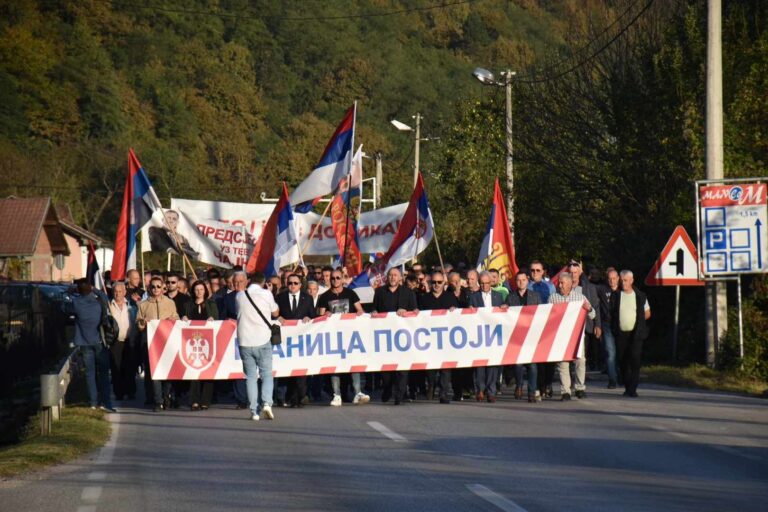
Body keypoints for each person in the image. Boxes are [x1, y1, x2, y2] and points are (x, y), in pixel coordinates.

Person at [317, 269, 368, 406]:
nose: (335, 281)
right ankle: (336, 394)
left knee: (354, 364)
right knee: (335, 366)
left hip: (350, 335)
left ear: (342, 278)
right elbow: (319, 317)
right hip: (332, 337)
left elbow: (360, 310)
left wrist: (358, 314)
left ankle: (357, 392)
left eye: (338, 278)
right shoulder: (324, 296)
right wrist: (325, 314)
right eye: (332, 278)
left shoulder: (350, 293)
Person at [236, 272, 279, 421]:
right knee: (266, 374)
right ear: (263, 282)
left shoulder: (240, 295)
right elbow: (276, 312)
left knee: (251, 377)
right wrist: (270, 292)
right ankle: (267, 403)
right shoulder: (267, 294)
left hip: (245, 341)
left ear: (249, 281)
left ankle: (254, 411)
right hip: (262, 339)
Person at [372, 268, 418, 405]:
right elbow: (374, 309)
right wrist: (374, 312)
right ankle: (387, 389)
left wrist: (408, 312)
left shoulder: (408, 293)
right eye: (390, 275)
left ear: (400, 278)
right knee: (387, 371)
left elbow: (415, 310)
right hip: (385, 338)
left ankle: (399, 395)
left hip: (403, 337)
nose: (392, 278)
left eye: (395, 275)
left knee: (402, 369)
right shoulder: (380, 292)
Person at [548, 272, 596, 401]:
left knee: (580, 361)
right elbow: (547, 316)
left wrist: (589, 309)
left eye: (562, 283)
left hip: (577, 336)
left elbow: (593, 314)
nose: (560, 285)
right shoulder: (553, 298)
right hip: (560, 336)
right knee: (563, 363)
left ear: (569, 284)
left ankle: (580, 388)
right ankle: (566, 391)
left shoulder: (580, 297)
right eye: (559, 282)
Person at [137, 275, 179, 411]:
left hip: (167, 342)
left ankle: (166, 396)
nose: (155, 289)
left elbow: (176, 318)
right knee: (154, 372)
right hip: (150, 343)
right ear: (149, 288)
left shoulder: (169, 303)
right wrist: (142, 323)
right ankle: (157, 401)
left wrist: (172, 319)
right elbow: (138, 323)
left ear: (163, 288)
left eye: (158, 287)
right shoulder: (143, 305)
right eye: (153, 286)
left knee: (166, 371)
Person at [73, 280, 115, 412]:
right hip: (99, 342)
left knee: (90, 374)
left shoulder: (76, 303)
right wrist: (95, 289)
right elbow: (104, 296)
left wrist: (74, 291)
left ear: (79, 290)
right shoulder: (98, 302)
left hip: (84, 342)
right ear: (90, 289)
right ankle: (105, 402)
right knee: (103, 373)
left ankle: (92, 402)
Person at [275, 273, 316, 408]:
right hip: (285, 341)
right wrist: (278, 318)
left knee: (299, 369)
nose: (292, 285)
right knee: (285, 369)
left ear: (300, 285)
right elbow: (273, 314)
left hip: (301, 340)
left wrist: (308, 318)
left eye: (295, 283)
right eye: (290, 283)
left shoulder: (307, 298)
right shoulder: (280, 298)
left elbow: (313, 316)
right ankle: (283, 397)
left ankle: (299, 397)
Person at [418, 270, 459, 404]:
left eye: (439, 282)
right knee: (431, 369)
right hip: (429, 340)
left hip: (447, 340)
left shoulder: (450, 297)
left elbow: (460, 316)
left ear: (444, 283)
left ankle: (443, 393)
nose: (436, 285)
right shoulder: (424, 298)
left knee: (446, 368)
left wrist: (455, 309)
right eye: (433, 282)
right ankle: (431, 386)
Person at [611, 270, 651, 398]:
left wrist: (639, 320)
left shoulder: (640, 296)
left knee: (635, 360)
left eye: (626, 280)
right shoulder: (616, 295)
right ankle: (627, 386)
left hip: (636, 334)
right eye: (622, 280)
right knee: (623, 361)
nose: (623, 283)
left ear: (632, 281)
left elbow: (648, 313)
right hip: (621, 333)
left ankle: (633, 389)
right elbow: (612, 313)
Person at [469, 271, 507, 402]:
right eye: (482, 283)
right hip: (479, 335)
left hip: (494, 334)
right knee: (480, 364)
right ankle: (480, 389)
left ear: (491, 282)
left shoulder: (498, 296)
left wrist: (503, 308)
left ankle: (491, 391)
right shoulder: (474, 297)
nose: (484, 286)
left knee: (492, 364)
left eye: (487, 283)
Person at [182, 280, 219, 411]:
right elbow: (183, 318)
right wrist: (184, 319)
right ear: (193, 291)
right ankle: (194, 400)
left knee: (207, 372)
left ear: (205, 291)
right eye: (196, 289)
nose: (199, 292)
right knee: (193, 371)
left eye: (201, 289)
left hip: (208, 343)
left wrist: (212, 319)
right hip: (191, 344)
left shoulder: (211, 304)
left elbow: (217, 318)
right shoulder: (188, 304)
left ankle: (205, 400)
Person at [568, 259, 601, 398]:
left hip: (583, 328)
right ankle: (568, 385)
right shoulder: (562, 287)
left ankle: (580, 387)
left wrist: (597, 324)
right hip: (567, 329)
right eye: (571, 273)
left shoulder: (588, 288)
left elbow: (595, 307)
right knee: (568, 360)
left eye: (576, 272)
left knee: (581, 358)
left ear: (580, 273)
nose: (573, 275)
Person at [507, 271, 542, 402]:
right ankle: (519, 385)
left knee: (533, 365)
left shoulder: (535, 296)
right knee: (518, 364)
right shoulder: (510, 298)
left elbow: (541, 314)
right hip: (517, 336)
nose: (521, 282)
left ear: (527, 281)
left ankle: (532, 392)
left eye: (523, 280)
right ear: (515, 282)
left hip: (532, 335)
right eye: (518, 280)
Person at [219, 271, 249, 410]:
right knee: (239, 368)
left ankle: (255, 397)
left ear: (246, 282)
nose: (237, 285)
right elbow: (222, 317)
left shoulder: (254, 297)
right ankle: (241, 399)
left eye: (240, 282)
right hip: (234, 339)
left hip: (253, 337)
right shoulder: (227, 298)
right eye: (235, 282)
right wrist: (227, 320)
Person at [528, 260, 556, 397]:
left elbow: (555, 304)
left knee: (550, 359)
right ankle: (539, 386)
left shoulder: (550, 287)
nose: (535, 273)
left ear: (543, 271)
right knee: (536, 360)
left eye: (538, 270)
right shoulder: (526, 286)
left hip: (548, 325)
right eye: (532, 270)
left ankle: (548, 383)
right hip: (532, 327)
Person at [108, 281, 137, 401]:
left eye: (120, 291)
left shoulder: (131, 306)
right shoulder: (108, 306)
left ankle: (130, 392)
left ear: (125, 292)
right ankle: (118, 393)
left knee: (130, 368)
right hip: (115, 342)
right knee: (116, 368)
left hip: (129, 341)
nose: (118, 294)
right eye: (115, 292)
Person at [600, 268, 620, 388]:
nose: (612, 281)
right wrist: (581, 274)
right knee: (610, 352)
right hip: (607, 325)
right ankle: (612, 379)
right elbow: (589, 287)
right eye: (610, 279)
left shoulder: (624, 290)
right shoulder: (603, 290)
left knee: (621, 352)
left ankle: (622, 376)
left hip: (621, 326)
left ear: (618, 278)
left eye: (614, 278)